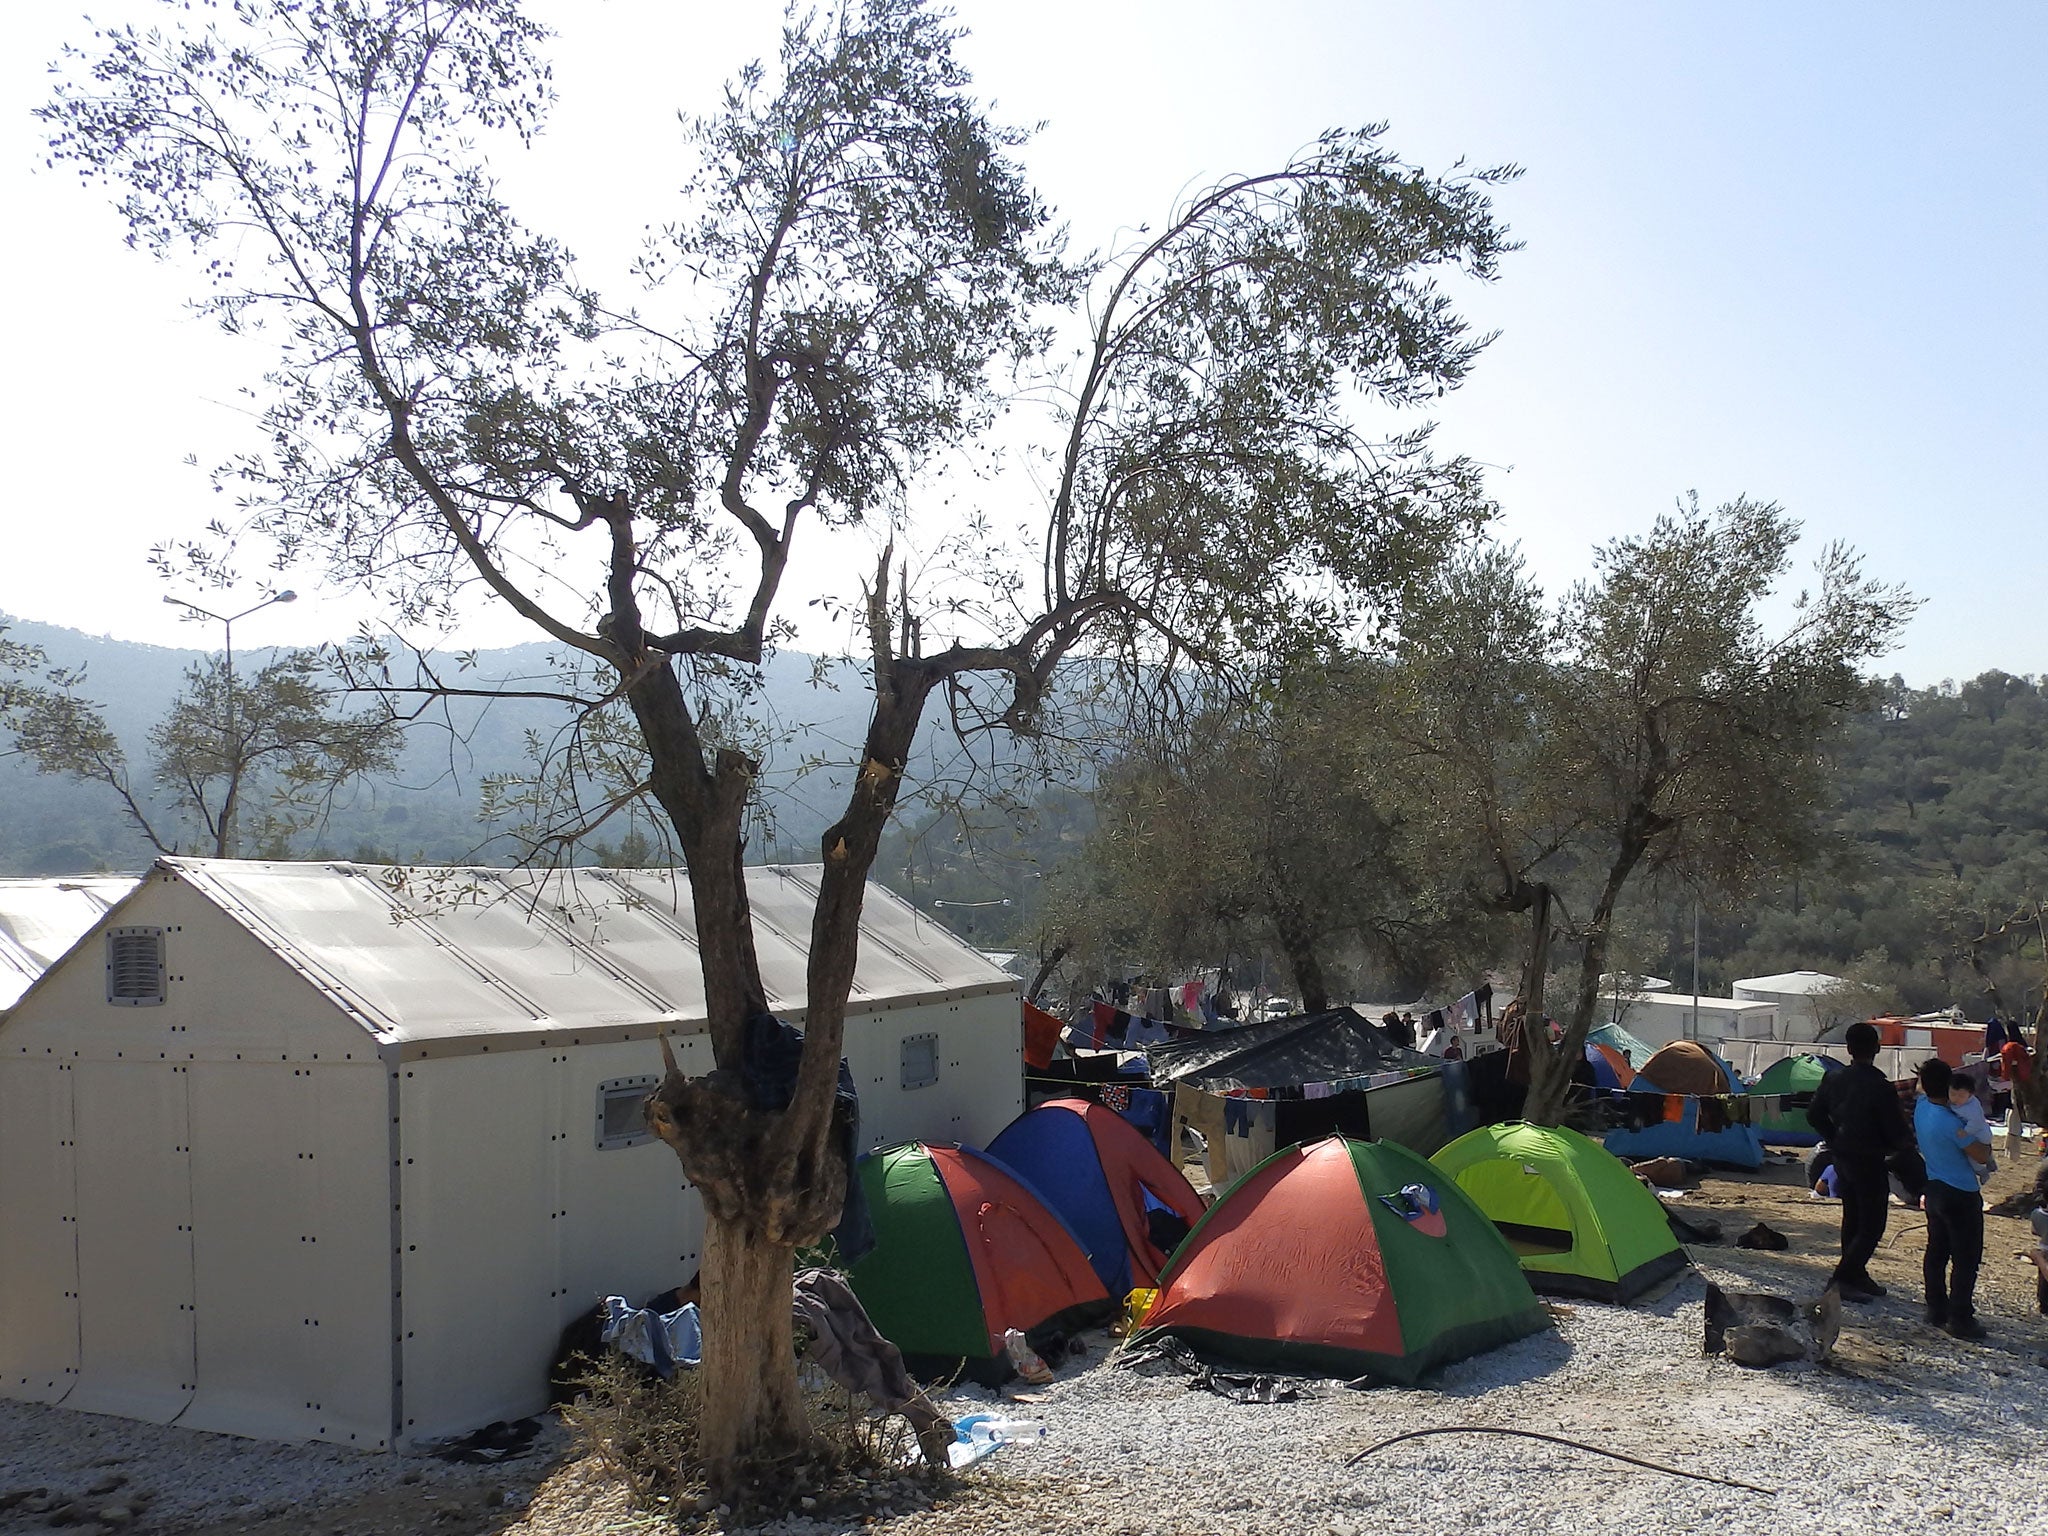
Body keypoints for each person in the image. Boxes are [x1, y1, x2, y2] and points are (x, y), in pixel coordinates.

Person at [1806, 1021, 1912, 1303]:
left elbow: (1814, 1114)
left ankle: (1856, 1273)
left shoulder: (1834, 1078)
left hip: (1841, 1156)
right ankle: (1841, 1279)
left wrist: (1834, 1138)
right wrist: (1903, 1146)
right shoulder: (1880, 1085)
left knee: (1852, 1216)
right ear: (1877, 1049)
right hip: (1869, 1158)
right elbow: (1894, 1128)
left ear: (1848, 1049)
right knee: (1873, 1223)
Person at [1913, 1057, 1990, 1339]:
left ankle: (1936, 1308)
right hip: (1961, 1192)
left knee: (1936, 1251)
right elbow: (1981, 1154)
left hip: (1933, 1187)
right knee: (1966, 1257)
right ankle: (1960, 1317)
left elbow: (1923, 1090)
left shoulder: (1921, 1109)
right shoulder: (1951, 1123)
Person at [1947, 1071, 1996, 1185]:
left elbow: (1976, 1122)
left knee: (1972, 1157)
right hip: (1983, 1131)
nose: (1956, 1099)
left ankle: (1982, 1172)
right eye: (1953, 1094)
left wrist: (1966, 1132)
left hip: (1979, 1133)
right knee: (1985, 1150)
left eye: (1961, 1096)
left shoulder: (1970, 1108)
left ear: (1970, 1095)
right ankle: (1990, 1161)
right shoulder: (1958, 1103)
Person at [2000, 1035, 2035, 1149]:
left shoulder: (2013, 1051)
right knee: (2014, 1110)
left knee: (2015, 1110)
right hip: (2018, 1086)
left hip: (2019, 1086)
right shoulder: (2014, 1051)